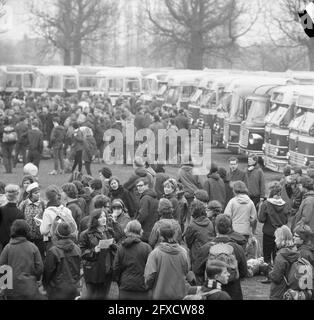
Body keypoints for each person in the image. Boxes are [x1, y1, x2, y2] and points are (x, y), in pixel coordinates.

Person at [193, 214, 247, 300]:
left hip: (212, 293)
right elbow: (244, 272)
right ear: (230, 228)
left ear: (215, 228)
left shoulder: (206, 248)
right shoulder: (237, 248)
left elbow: (197, 270)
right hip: (234, 292)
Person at [0, 220, 44, 300]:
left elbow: (2, 268)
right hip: (30, 288)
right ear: (27, 231)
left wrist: (4, 287)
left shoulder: (7, 248)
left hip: (12, 290)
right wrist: (35, 279)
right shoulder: (33, 247)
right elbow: (39, 268)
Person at [144, 223, 189, 300]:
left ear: (161, 237)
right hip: (179, 294)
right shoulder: (183, 252)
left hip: (160, 294)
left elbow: (149, 276)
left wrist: (149, 287)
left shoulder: (155, 253)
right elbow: (186, 271)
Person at [79, 209, 117, 300]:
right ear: (95, 219)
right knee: (91, 296)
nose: (103, 218)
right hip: (93, 271)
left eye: (104, 216)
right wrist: (93, 250)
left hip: (107, 269)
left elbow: (118, 244)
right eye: (100, 217)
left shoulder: (109, 231)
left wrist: (113, 245)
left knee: (103, 296)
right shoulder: (85, 234)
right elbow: (82, 252)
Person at [258, 182, 290, 283]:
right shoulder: (285, 204)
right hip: (280, 234)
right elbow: (285, 221)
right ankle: (278, 275)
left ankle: (268, 276)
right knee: (278, 255)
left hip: (268, 233)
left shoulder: (266, 204)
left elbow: (261, 219)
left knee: (267, 256)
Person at [113, 220, 152, 300]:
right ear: (140, 231)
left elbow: (115, 267)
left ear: (126, 230)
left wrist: (120, 280)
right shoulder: (147, 248)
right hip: (142, 287)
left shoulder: (121, 248)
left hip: (125, 286)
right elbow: (151, 269)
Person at [43, 222, 81, 300]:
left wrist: (45, 285)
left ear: (57, 233)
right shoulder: (77, 249)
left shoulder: (53, 251)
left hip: (57, 290)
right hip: (73, 287)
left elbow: (48, 272)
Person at [40, 185, 78, 254]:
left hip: (53, 242)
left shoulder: (48, 212)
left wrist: (40, 224)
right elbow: (73, 226)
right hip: (68, 240)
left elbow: (44, 231)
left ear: (47, 198)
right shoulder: (66, 210)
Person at [269, 225, 300, 300]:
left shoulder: (281, 256)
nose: (275, 240)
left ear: (281, 239)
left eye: (276, 238)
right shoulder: (296, 252)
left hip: (279, 291)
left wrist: (270, 273)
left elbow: (276, 277)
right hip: (291, 290)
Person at [184, 199, 215, 271]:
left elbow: (188, 241)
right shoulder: (210, 222)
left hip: (197, 254)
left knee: (197, 273)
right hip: (209, 252)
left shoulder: (192, 226)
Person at [19, 182, 45, 258]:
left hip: (39, 234)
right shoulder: (24, 204)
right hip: (27, 234)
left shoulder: (42, 203)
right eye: (35, 193)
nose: (38, 194)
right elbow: (20, 216)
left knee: (40, 254)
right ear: (30, 194)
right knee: (27, 254)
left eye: (39, 193)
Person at [0, 184, 24, 253]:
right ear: (17, 195)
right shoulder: (19, 213)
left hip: (2, 243)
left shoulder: (1, 210)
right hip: (15, 244)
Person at [135, 177, 159, 243]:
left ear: (147, 185)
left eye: (141, 185)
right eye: (137, 186)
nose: (138, 188)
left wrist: (135, 225)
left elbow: (143, 214)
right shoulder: (154, 198)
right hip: (152, 232)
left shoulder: (145, 198)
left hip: (144, 232)